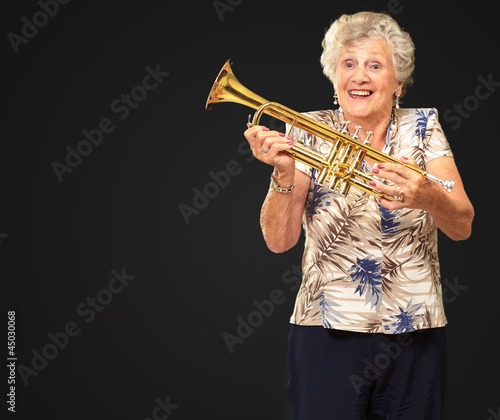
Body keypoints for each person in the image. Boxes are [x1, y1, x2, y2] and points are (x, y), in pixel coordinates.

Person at [244, 11, 474, 420]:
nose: (359, 76)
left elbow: (462, 225)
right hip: (324, 330)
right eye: (348, 64)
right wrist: (282, 173)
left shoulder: (423, 127)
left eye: (374, 65)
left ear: (398, 83)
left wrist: (428, 197)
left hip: (415, 331)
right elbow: (279, 241)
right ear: (334, 78)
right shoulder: (308, 128)